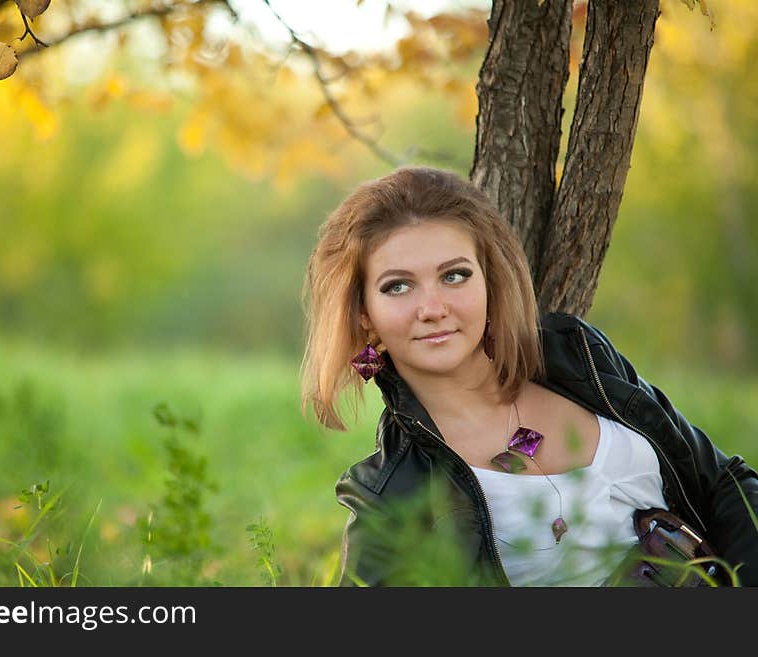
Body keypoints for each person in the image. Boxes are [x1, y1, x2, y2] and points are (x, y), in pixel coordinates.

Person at [300, 166, 758, 587]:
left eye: (455, 276)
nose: (433, 309)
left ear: (489, 280)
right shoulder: (391, 491)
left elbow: (723, 484)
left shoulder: (576, 356)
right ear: (364, 314)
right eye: (397, 286)